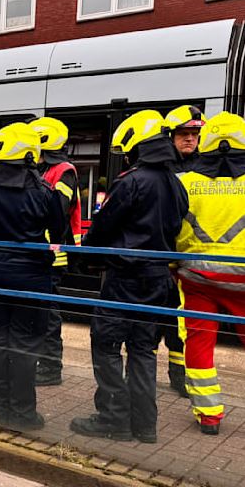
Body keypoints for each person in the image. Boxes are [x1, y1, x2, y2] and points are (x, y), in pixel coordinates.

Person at [70, 110, 188, 444]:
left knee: (106, 345)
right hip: (157, 281)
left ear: (138, 145)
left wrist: (85, 258)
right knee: (143, 351)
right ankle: (145, 426)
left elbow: (104, 226)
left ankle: (113, 419)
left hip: (124, 279)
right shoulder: (176, 184)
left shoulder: (131, 181)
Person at [0, 122, 65, 431]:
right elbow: (59, 231)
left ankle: (1, 408)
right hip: (32, 277)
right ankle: (24, 413)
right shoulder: (43, 191)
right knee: (26, 346)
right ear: (28, 153)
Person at [174, 111, 245, 435]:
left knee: (199, 342)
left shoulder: (184, 182)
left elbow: (170, 228)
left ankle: (209, 415)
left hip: (197, 279)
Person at [30, 117, 81, 387]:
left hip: (52, 254)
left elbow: (57, 212)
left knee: (48, 315)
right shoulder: (42, 170)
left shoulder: (63, 171)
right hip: (39, 254)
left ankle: (50, 367)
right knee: (38, 312)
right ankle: (41, 361)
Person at [161, 105, 208, 397]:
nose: (189, 139)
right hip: (164, 258)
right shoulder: (162, 168)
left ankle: (181, 377)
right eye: (183, 134)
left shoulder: (207, 170)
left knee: (187, 324)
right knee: (164, 319)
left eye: (194, 134)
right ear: (171, 137)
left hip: (192, 259)